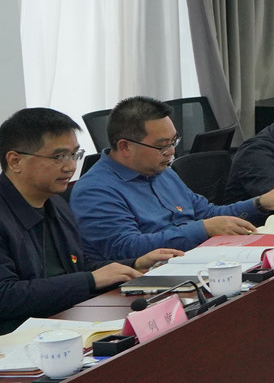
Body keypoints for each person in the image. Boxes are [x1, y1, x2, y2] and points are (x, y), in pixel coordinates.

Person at [0, 109, 184, 333]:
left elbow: (78, 265)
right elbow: (5, 296)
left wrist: (134, 264)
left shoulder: (55, 203)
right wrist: (90, 280)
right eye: (58, 157)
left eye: (74, 155)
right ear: (15, 161)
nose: (70, 166)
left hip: (66, 323)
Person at [72, 97, 274, 260]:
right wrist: (202, 229)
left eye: (173, 141)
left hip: (196, 260)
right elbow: (126, 249)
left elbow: (207, 213)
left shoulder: (163, 172)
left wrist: (260, 203)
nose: (172, 152)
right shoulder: (95, 190)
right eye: (162, 146)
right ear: (125, 146)